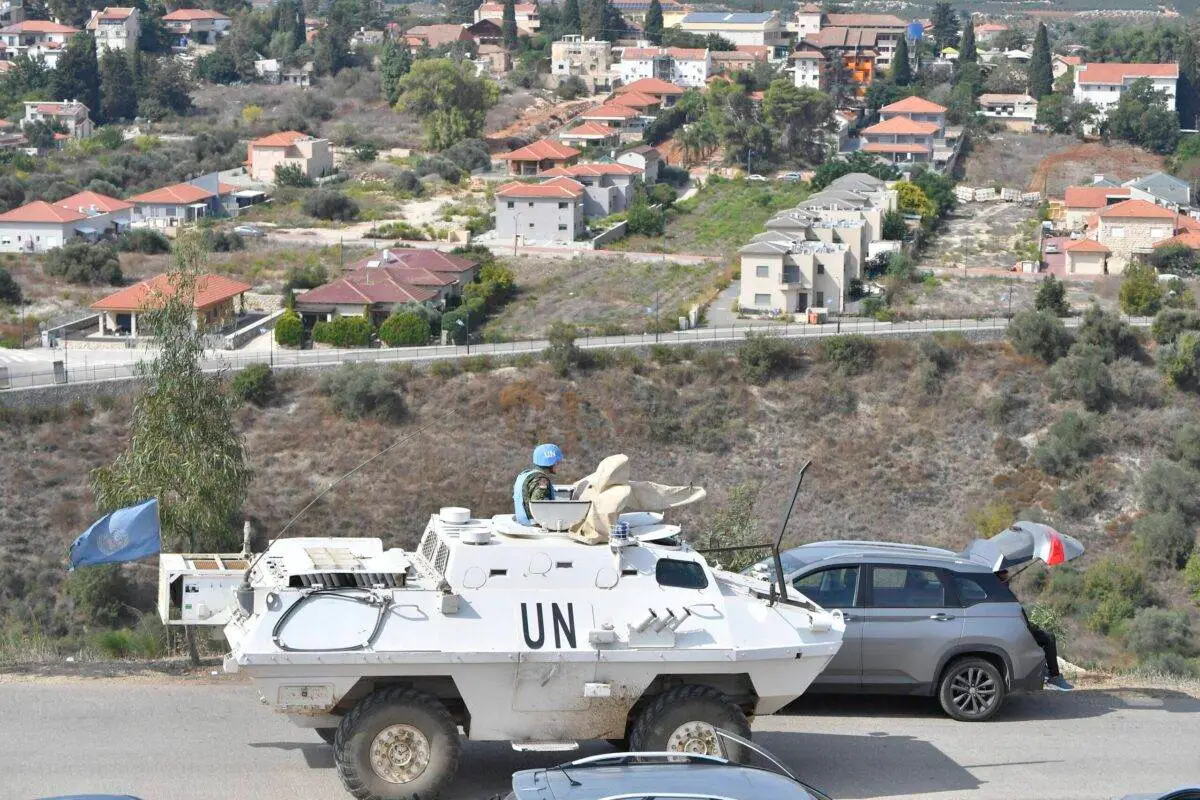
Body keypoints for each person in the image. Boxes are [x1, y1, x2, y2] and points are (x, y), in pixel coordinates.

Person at [997, 569, 1072, 691]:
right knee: (1048, 638)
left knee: (1044, 636)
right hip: (1013, 631)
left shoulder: (997, 591)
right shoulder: (1000, 592)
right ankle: (1054, 676)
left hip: (1013, 628)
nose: (1008, 576)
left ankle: (1048, 672)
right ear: (999, 577)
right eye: (1004, 575)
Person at [513, 443, 564, 526]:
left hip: (524, 523)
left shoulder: (526, 474)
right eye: (557, 462)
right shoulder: (542, 480)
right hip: (535, 525)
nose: (558, 465)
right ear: (550, 462)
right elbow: (538, 506)